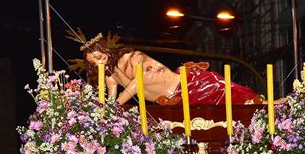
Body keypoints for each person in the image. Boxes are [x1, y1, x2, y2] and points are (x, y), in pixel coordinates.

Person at [83, 34, 262, 106]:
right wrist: (103, 111)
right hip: (170, 102)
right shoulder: (110, 75)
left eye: (99, 57)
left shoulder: (133, 58)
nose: (99, 63)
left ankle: (269, 104)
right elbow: (110, 97)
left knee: (236, 99)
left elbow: (137, 83)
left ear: (105, 49)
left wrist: (114, 107)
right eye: (94, 63)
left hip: (188, 86)